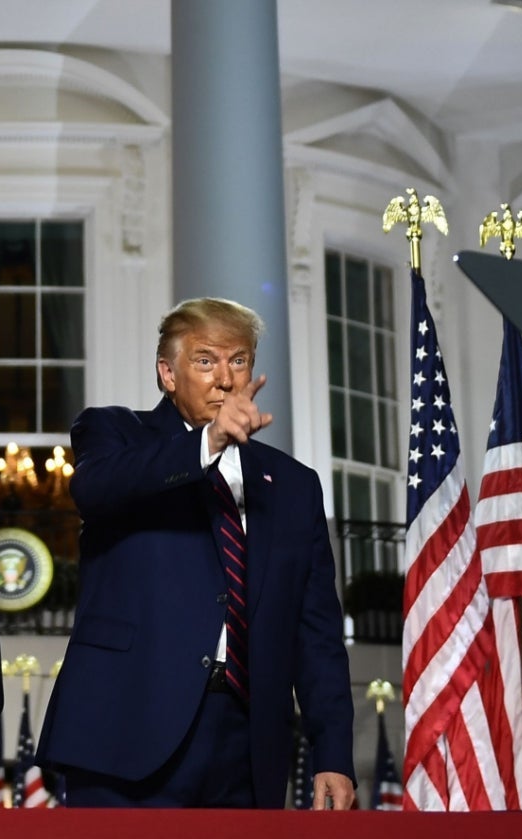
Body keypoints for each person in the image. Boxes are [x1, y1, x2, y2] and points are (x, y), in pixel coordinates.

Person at [37, 298, 356, 809]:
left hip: (248, 741)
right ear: (168, 373)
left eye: (239, 361)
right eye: (205, 360)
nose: (225, 379)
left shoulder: (296, 485)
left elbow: (316, 631)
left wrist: (333, 752)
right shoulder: (116, 433)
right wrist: (207, 443)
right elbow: (97, 489)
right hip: (128, 727)